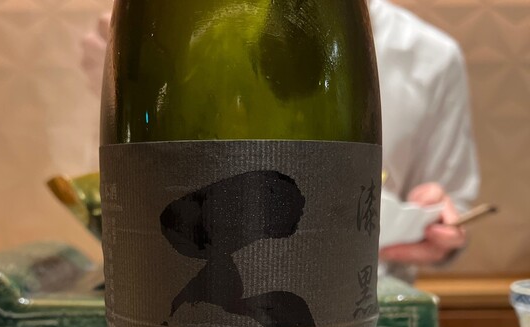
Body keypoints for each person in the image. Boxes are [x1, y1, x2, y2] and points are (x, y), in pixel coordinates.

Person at [81, 0, 479, 280]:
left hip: (366, 305)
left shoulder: (433, 56)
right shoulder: (163, 23)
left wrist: (440, 226)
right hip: (174, 289)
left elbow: (455, 206)